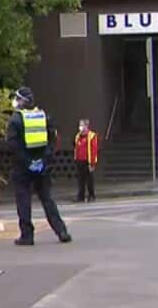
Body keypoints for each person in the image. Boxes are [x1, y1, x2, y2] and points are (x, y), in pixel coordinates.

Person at [6, 86, 72, 246]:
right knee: (47, 199)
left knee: (23, 201)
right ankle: (61, 230)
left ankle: (27, 236)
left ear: (21, 100)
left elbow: (13, 146)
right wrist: (43, 160)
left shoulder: (15, 119)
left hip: (23, 167)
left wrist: (28, 162)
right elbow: (52, 140)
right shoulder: (43, 116)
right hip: (42, 166)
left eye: (17, 98)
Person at [73, 119, 99, 202]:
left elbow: (94, 150)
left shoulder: (92, 136)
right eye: (80, 125)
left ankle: (91, 195)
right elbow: (76, 148)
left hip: (87, 161)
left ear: (86, 126)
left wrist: (92, 163)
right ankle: (81, 196)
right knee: (81, 180)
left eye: (82, 125)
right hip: (79, 160)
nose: (80, 127)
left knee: (89, 180)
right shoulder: (78, 136)